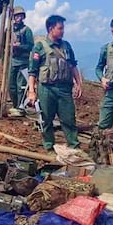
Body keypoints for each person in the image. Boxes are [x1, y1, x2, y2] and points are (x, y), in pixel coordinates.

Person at [26, 14, 82, 152]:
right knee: (46, 119)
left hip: (64, 89)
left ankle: (74, 146)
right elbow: (32, 72)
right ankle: (49, 147)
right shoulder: (39, 47)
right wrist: (32, 92)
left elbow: (73, 65)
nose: (63, 31)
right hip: (46, 89)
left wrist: (79, 83)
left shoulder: (66, 46)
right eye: (60, 28)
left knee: (68, 119)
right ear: (51, 28)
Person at [7, 6, 33, 117]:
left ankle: (20, 107)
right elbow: (5, 44)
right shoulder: (10, 30)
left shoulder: (26, 30)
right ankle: (14, 105)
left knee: (20, 86)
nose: (18, 18)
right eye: (16, 16)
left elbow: (31, 46)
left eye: (20, 16)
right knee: (11, 85)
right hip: (12, 61)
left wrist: (20, 46)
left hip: (23, 62)